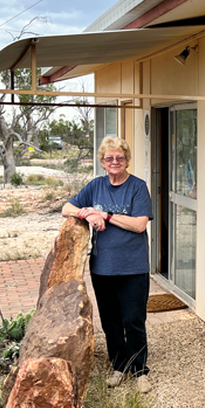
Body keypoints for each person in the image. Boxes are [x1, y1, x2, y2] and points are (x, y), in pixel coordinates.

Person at [62, 136, 154, 393]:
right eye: (109, 158)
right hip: (103, 267)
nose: (115, 162)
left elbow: (139, 224)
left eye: (120, 158)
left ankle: (140, 370)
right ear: (102, 162)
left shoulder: (137, 187)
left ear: (127, 161)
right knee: (110, 321)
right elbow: (66, 208)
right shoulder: (96, 186)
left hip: (133, 267)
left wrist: (106, 215)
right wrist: (87, 213)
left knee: (133, 320)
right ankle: (119, 366)